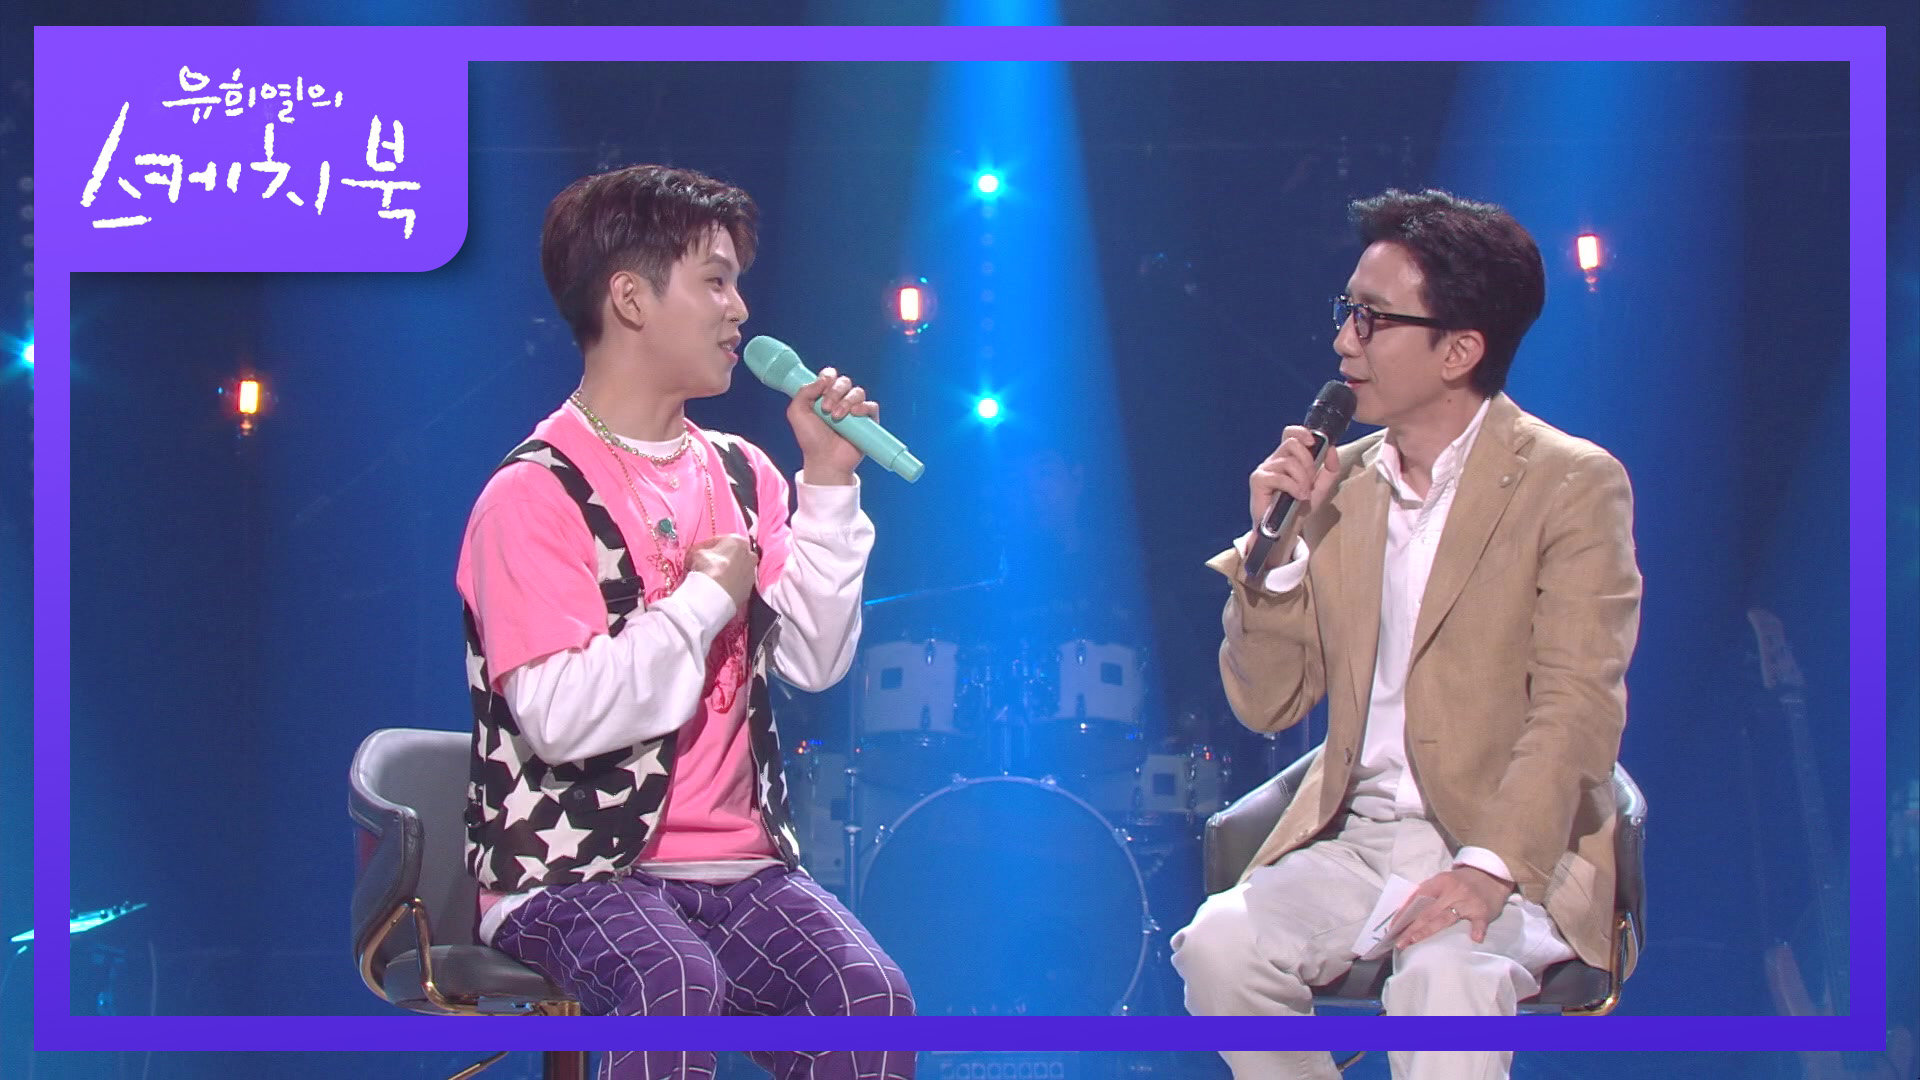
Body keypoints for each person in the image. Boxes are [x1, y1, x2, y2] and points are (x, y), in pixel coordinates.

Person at [1171, 189, 1643, 1080]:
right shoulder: (1335, 485)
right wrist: (1277, 553)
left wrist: (1487, 869)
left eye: (1372, 318)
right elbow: (1267, 703)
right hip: (1361, 842)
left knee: (1442, 977)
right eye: (1346, 311)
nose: (1343, 341)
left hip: (1513, 847)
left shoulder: (1571, 484)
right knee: (1219, 948)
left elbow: (1578, 708)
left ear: (1460, 349)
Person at [456, 164, 914, 1080]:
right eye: (715, 281)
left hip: (740, 869)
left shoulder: (746, 474)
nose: (739, 310)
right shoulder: (534, 493)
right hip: (574, 869)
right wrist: (704, 600)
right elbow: (560, 719)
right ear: (630, 299)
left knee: (870, 999)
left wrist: (828, 484)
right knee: (669, 980)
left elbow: (816, 661)